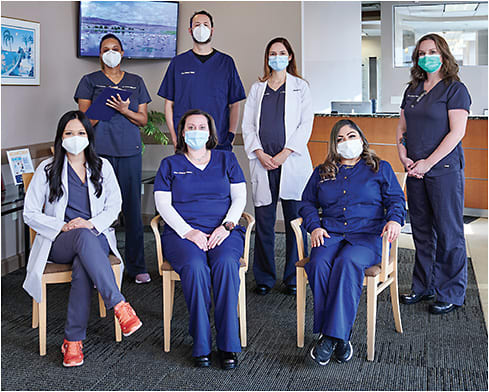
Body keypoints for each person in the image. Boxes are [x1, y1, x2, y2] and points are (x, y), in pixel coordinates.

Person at [23, 110, 142, 368]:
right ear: (60, 137)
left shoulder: (102, 166)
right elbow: (29, 213)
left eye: (80, 133)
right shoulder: (47, 168)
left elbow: (115, 206)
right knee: (80, 239)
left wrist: (90, 223)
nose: (75, 138)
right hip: (60, 240)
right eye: (69, 133)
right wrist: (63, 226)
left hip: (95, 235)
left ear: (89, 136)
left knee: (83, 261)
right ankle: (118, 304)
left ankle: (73, 341)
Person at [300, 119, 405, 365]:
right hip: (331, 233)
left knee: (347, 262)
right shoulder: (322, 172)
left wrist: (395, 221)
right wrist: (314, 226)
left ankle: (329, 336)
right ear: (334, 146)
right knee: (317, 263)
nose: (346, 142)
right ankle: (340, 336)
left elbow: (396, 201)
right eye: (340, 139)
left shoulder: (380, 168)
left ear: (361, 139)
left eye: (351, 136)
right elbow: (306, 203)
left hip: (368, 236)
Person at [153, 109, 247, 369]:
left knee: (227, 266)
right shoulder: (169, 164)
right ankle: (202, 343)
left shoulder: (226, 159)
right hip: (182, 234)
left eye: (201, 126)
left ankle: (228, 345)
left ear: (210, 132)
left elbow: (239, 197)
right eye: (190, 127)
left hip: (223, 230)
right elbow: (163, 204)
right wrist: (188, 232)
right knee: (195, 269)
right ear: (182, 133)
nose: (196, 132)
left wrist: (226, 226)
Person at [396, 34, 471, 315]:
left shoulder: (455, 90)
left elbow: (457, 133)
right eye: (422, 52)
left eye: (432, 51)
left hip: (444, 171)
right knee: (422, 230)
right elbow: (401, 127)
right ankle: (423, 285)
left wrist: (428, 162)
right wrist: (403, 155)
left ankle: (450, 290)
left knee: (449, 231)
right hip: (415, 171)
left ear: (443, 54)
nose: (427, 56)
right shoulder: (413, 88)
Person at [74, 33, 151, 284]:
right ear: (100, 55)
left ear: (122, 52)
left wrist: (124, 110)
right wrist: (104, 105)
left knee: (131, 210)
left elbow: (143, 120)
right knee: (99, 211)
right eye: (106, 49)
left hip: (129, 152)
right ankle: (100, 266)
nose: (111, 52)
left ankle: (137, 266)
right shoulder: (89, 81)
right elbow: (84, 123)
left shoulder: (135, 81)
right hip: (99, 155)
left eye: (115, 48)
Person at [242, 37, 313, 296]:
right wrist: (259, 152)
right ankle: (264, 277)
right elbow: (248, 125)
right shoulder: (257, 88)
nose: (277, 57)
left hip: (291, 161)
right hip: (263, 162)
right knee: (264, 221)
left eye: (282, 53)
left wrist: (284, 154)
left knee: (296, 222)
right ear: (267, 58)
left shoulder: (300, 87)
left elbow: (305, 124)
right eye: (273, 53)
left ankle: (294, 277)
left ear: (290, 57)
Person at [158, 10, 246, 151]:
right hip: (186, 141)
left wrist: (231, 136)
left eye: (205, 24)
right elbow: (169, 104)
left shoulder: (226, 62)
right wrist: (175, 139)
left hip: (219, 141)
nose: (201, 28)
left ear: (212, 30)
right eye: (197, 24)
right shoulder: (178, 63)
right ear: (190, 30)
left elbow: (234, 104)